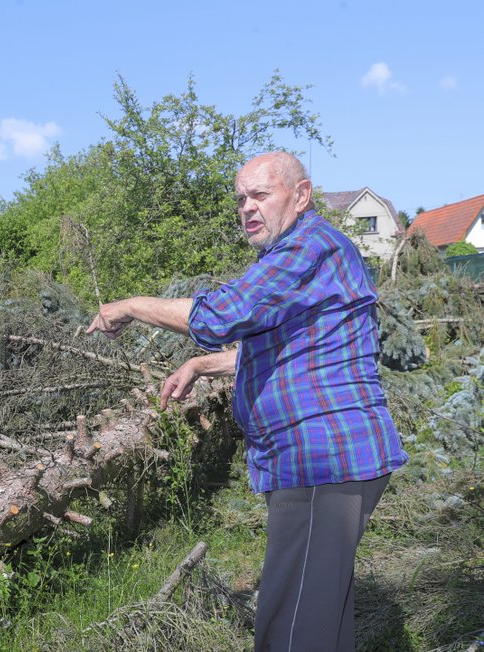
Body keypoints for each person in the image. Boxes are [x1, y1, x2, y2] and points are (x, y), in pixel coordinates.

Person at [86, 151, 408, 651]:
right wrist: (199, 365)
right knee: (318, 616)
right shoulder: (298, 254)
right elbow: (284, 347)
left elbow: (223, 314)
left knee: (293, 625)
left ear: (300, 196)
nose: (247, 208)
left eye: (260, 194)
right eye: (240, 198)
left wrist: (130, 306)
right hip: (318, 462)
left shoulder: (310, 247)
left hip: (323, 458)